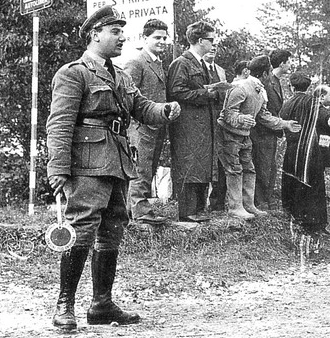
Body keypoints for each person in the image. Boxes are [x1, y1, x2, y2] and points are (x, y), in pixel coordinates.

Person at [46, 6, 181, 329]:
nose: (122, 37)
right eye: (115, 31)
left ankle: (101, 304)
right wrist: (58, 169)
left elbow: (141, 108)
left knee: (112, 229)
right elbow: (60, 124)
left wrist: (164, 111)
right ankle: (64, 305)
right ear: (95, 34)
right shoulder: (73, 72)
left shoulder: (120, 75)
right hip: (86, 163)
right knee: (82, 229)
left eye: (122, 31)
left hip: (118, 160)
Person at [218, 55, 301, 220]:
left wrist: (285, 124)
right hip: (230, 136)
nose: (271, 75)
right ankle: (235, 207)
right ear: (265, 73)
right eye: (270, 71)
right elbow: (227, 114)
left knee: (249, 169)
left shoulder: (260, 91)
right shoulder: (240, 88)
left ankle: (248, 205)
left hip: (244, 136)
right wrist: (242, 119)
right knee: (234, 169)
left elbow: (264, 115)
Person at [167, 21, 225, 222]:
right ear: (200, 41)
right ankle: (188, 212)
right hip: (188, 125)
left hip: (204, 124)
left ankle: (199, 209)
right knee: (189, 164)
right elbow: (175, 91)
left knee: (203, 164)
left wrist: (215, 92)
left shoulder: (202, 64)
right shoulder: (181, 63)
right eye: (210, 40)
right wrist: (206, 92)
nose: (213, 44)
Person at [281, 73, 330, 235]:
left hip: (291, 150)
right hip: (309, 151)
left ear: (292, 87)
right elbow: (326, 117)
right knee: (314, 186)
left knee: (291, 184)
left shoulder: (286, 104)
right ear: (307, 87)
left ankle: (294, 220)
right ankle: (316, 225)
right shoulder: (312, 102)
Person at [124, 19, 170, 226]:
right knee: (140, 168)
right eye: (157, 38)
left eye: (164, 38)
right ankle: (140, 211)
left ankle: (131, 209)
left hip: (156, 126)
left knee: (148, 168)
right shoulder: (137, 63)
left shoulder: (158, 63)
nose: (162, 41)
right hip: (140, 126)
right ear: (145, 39)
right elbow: (125, 95)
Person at [251, 49, 292, 210]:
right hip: (262, 131)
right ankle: (261, 201)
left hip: (271, 131)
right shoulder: (267, 82)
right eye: (288, 61)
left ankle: (266, 200)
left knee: (269, 166)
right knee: (263, 166)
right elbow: (263, 110)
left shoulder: (276, 81)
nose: (290, 65)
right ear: (281, 63)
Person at [203, 49, 229, 212]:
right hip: (202, 118)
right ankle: (200, 202)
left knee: (220, 159)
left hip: (218, 119)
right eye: (210, 44)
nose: (213, 48)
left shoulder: (220, 70)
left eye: (216, 45)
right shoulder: (196, 68)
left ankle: (217, 202)